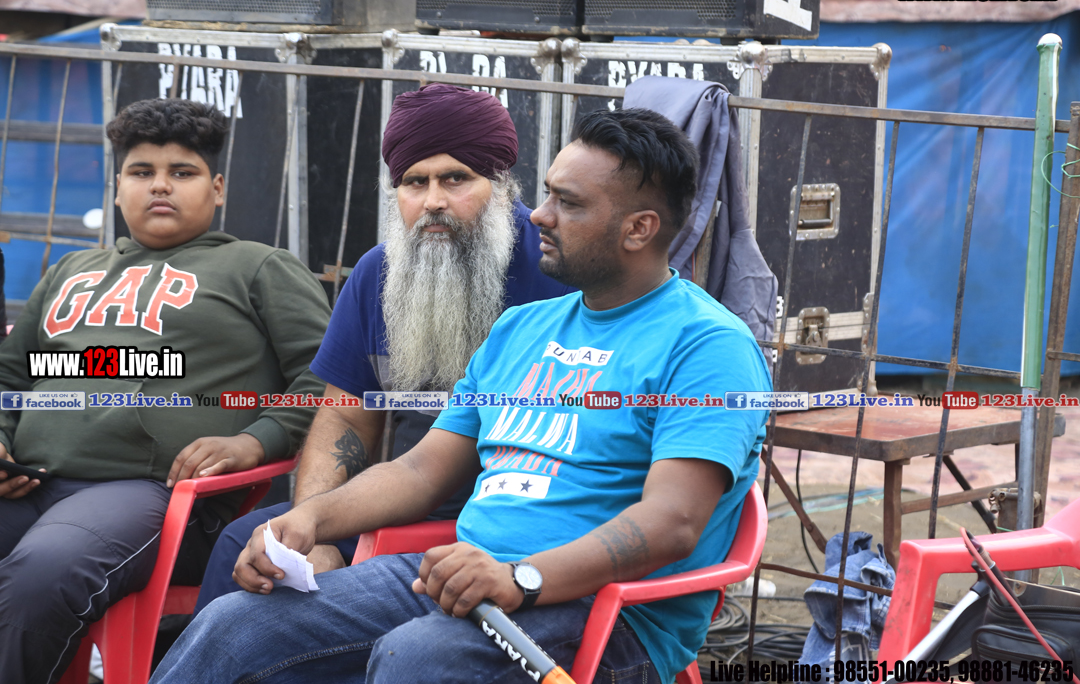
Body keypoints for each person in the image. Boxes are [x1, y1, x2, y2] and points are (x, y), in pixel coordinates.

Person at [151, 107, 773, 684]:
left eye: (568, 203)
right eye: (548, 193)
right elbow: (421, 470)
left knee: (419, 657)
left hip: (607, 612)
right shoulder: (522, 328)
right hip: (460, 575)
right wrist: (310, 518)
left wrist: (522, 577)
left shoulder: (708, 346)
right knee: (235, 624)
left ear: (639, 229)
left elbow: (673, 523)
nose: (540, 215)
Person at [192, 83, 572, 613]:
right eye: (415, 182)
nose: (433, 201)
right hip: (396, 499)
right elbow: (345, 417)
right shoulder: (378, 274)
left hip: (519, 524)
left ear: (502, 184)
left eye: (456, 179)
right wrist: (314, 529)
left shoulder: (560, 270)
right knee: (248, 543)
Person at [0, 98, 331, 684]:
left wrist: (257, 440)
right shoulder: (70, 270)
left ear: (217, 188)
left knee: (46, 570)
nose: (160, 185)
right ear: (117, 188)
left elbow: (328, 376)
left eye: (182, 172)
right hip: (27, 481)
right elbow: (10, 377)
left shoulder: (257, 267)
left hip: (152, 496)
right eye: (141, 171)